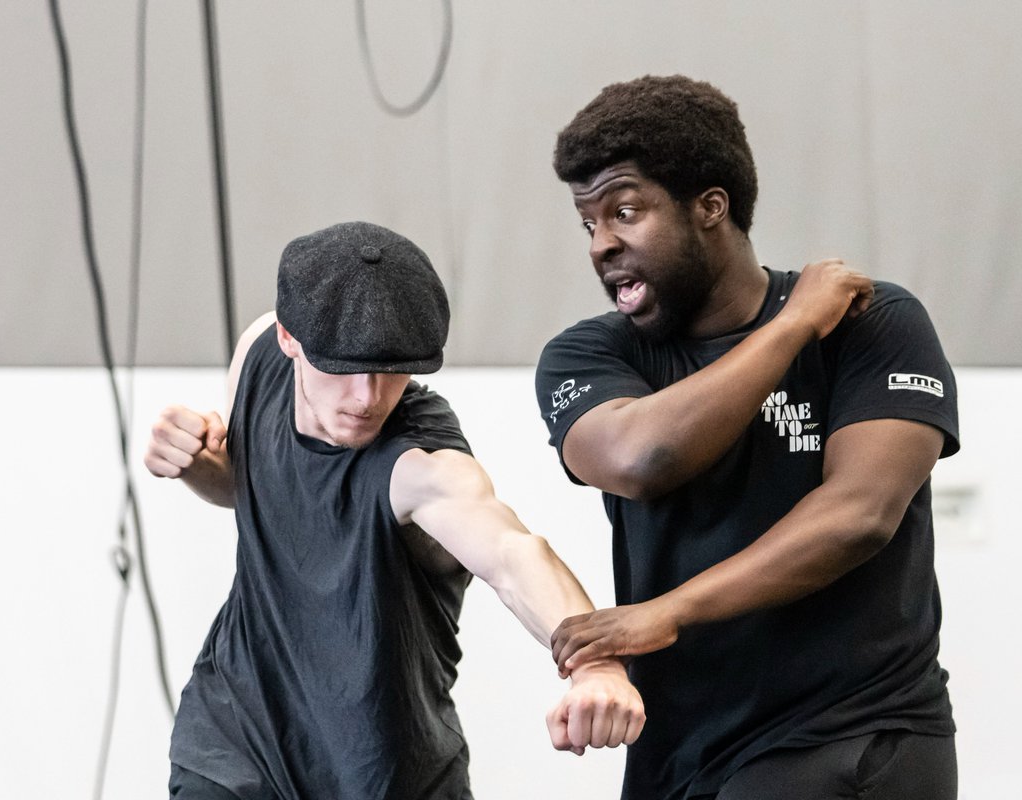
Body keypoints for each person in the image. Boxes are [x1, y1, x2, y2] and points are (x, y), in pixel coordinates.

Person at [534, 75, 961, 799]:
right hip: (679, 751)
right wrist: (792, 326)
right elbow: (643, 458)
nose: (602, 245)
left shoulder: (872, 322)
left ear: (710, 207)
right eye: (589, 223)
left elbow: (858, 516)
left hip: (849, 735)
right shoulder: (589, 356)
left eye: (626, 212)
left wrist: (670, 610)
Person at [144, 221, 645, 800]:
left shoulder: (420, 462)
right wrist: (197, 463)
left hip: (384, 770)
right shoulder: (258, 354)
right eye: (344, 368)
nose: (367, 397)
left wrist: (596, 665)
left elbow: (512, 555)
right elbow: (250, 487)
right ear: (290, 338)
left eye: (392, 370)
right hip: (236, 739)